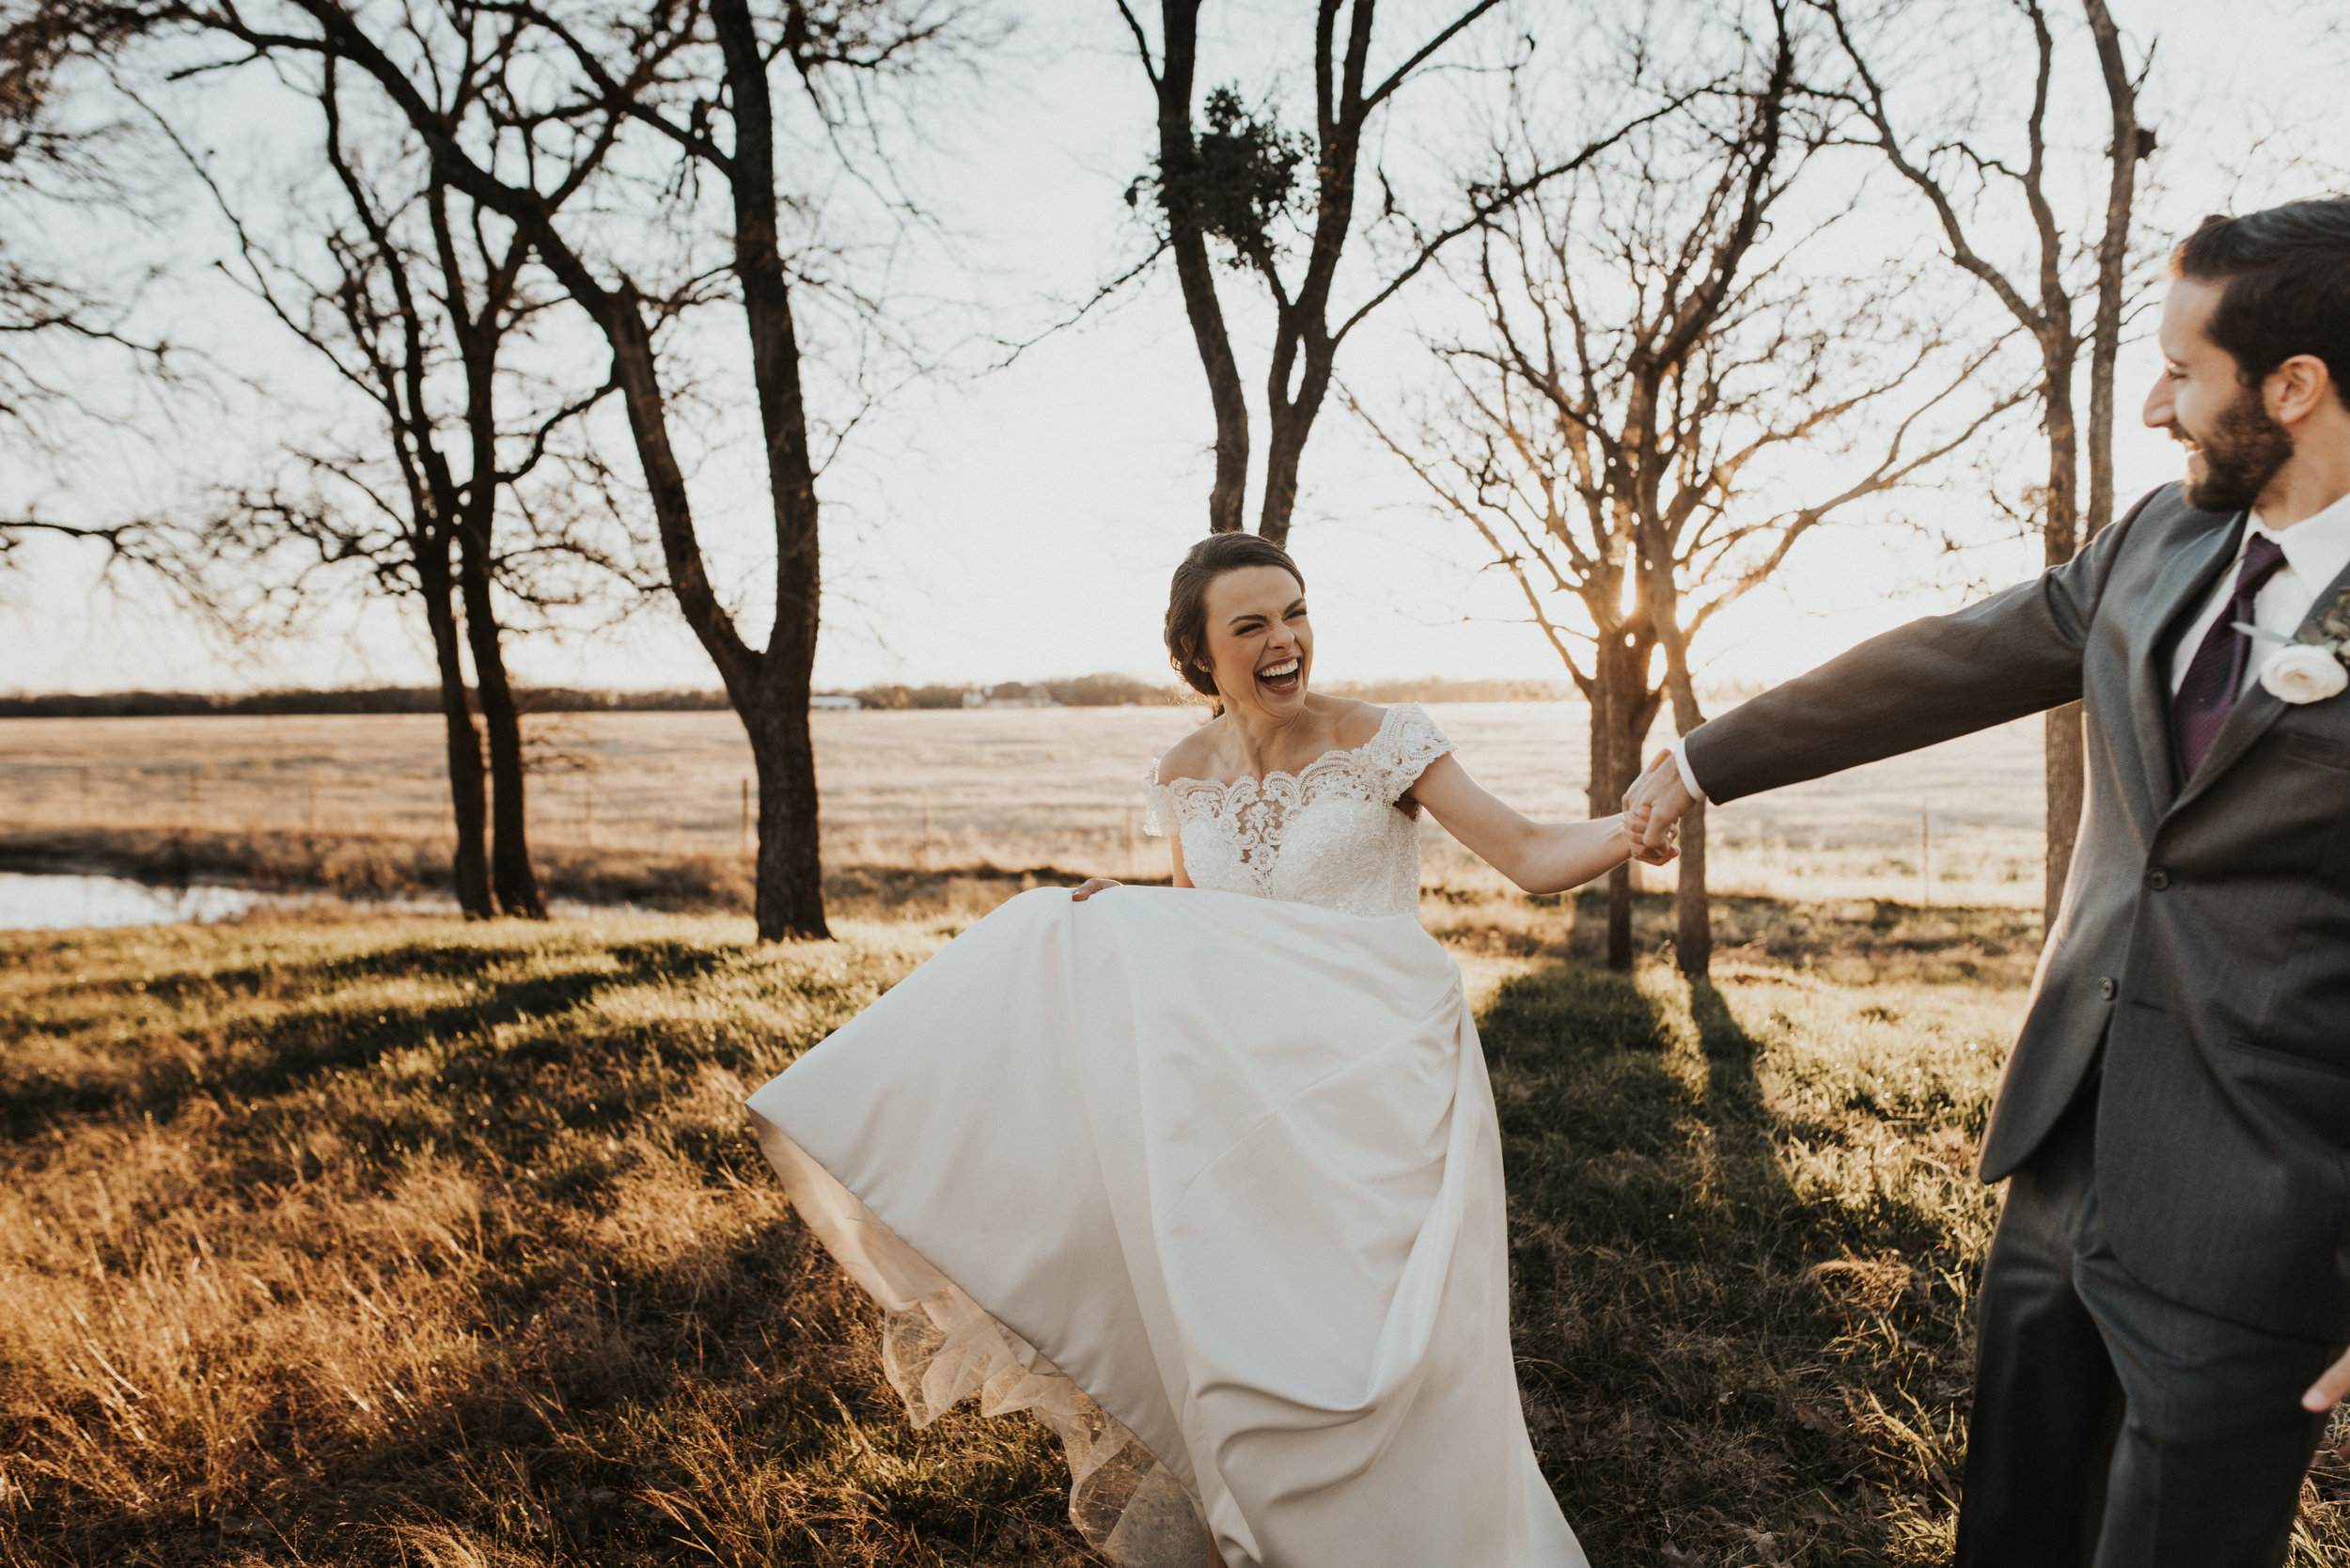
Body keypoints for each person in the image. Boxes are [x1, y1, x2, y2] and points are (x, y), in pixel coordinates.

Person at [1624, 198, 2350, 1567]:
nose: (2152, 404)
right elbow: (1953, 657)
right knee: (2008, 1534)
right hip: (2066, 1158)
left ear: (2296, 388)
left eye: (2185, 372)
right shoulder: (2163, 541)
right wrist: (1708, 759)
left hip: (2267, 1218)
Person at [746, 532, 1659, 1567]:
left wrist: (1632, 827)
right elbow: (1205, 926)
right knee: (1248, 1336)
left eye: (1296, 612)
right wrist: (1122, 915)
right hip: (1247, 1092)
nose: (1285, 640)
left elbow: (1531, 854)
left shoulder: (1386, 740)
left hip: (1385, 1079)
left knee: (1399, 1344)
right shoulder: (1182, 775)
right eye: (1252, 624)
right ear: (1200, 653)